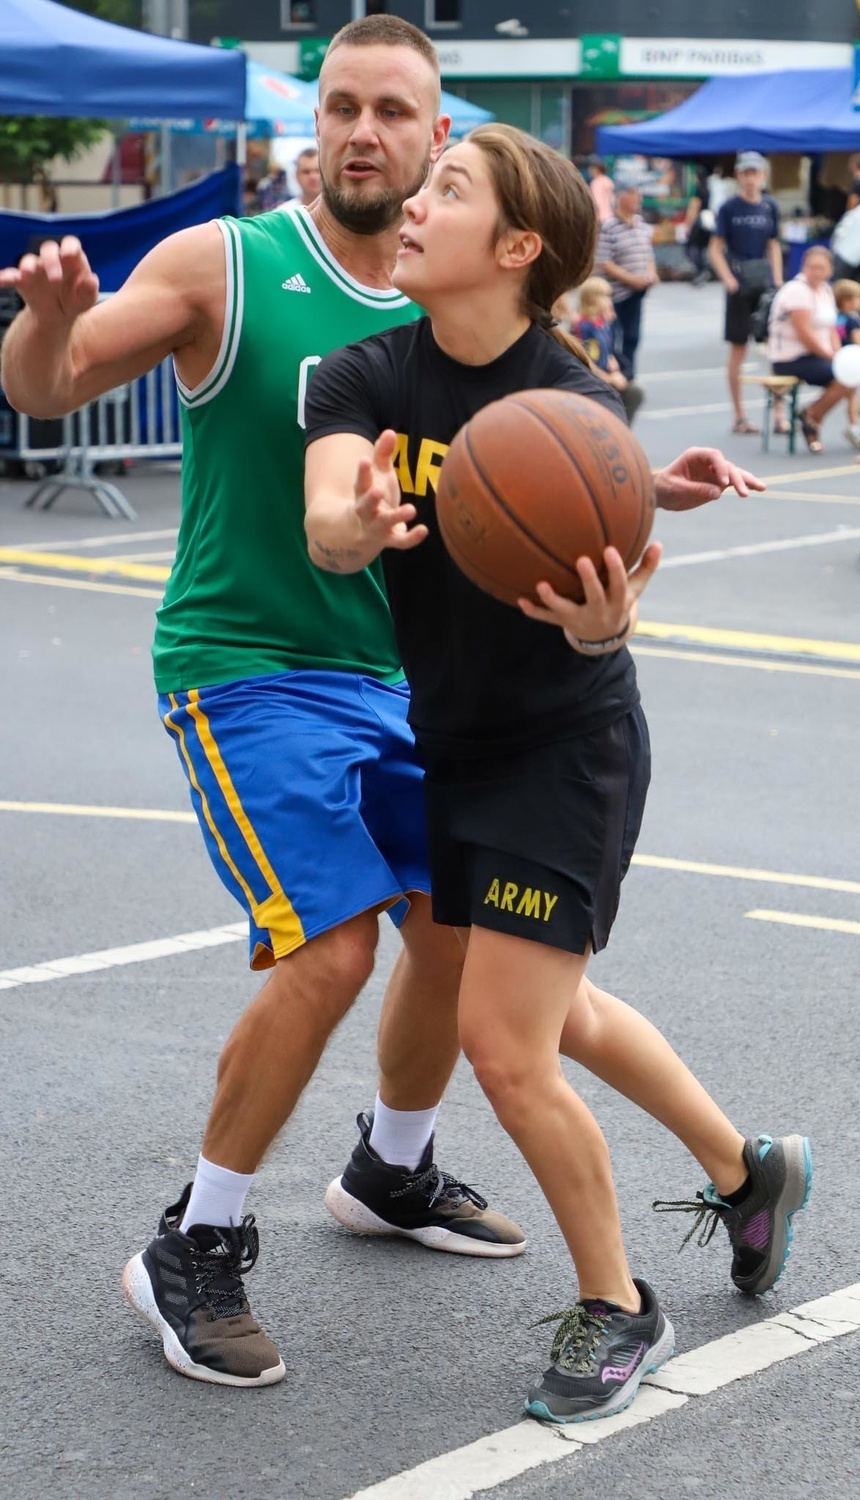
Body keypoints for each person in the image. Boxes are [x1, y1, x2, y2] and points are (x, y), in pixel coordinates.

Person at [0, 14, 531, 1393]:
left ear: (435, 140)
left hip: (401, 678)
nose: (363, 131)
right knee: (332, 946)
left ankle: (391, 1171)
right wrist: (47, 327)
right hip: (245, 665)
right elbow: (53, 384)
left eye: (393, 113)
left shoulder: (452, 306)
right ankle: (196, 1236)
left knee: (458, 929)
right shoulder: (228, 264)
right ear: (315, 128)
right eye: (342, 106)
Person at [302, 124, 812, 1425]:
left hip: (566, 751)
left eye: (449, 190)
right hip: (453, 746)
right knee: (559, 1012)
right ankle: (746, 1172)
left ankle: (618, 1305)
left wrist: (606, 618)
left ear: (518, 248)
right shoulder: (361, 376)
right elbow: (325, 521)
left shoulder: (580, 404)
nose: (415, 205)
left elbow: (604, 570)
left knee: (503, 1043)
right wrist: (352, 527)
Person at [708, 150, 785, 436]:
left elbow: (773, 243)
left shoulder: (769, 207)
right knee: (738, 348)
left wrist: (777, 279)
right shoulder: (730, 208)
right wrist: (727, 278)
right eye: (745, 173)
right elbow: (715, 247)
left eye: (755, 173)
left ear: (763, 176)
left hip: (763, 283)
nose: (751, 179)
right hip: (739, 284)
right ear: (739, 176)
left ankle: (778, 412)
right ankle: (739, 414)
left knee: (775, 348)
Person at [767, 245, 850, 454]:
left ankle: (811, 415)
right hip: (791, 357)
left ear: (830, 270)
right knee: (845, 377)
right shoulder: (797, 291)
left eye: (821, 268)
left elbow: (831, 328)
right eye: (812, 267)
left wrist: (837, 352)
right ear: (804, 267)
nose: (816, 272)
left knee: (850, 375)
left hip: (816, 356)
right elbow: (804, 334)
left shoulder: (826, 290)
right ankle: (811, 419)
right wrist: (830, 356)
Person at [595, 183, 658, 382]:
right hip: (616, 294)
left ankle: (629, 377)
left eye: (638, 194)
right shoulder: (609, 227)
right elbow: (604, 262)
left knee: (633, 337)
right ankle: (612, 378)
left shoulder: (640, 223)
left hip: (637, 292)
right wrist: (631, 279)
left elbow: (647, 254)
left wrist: (651, 273)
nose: (637, 198)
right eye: (632, 194)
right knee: (611, 339)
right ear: (621, 198)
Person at [572, 275, 645, 425]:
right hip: (591, 383)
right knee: (628, 396)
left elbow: (607, 352)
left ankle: (621, 430)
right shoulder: (584, 328)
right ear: (593, 300)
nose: (609, 301)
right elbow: (586, 363)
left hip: (603, 377)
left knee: (634, 393)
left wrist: (614, 366)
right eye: (605, 297)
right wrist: (610, 379)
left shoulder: (601, 324)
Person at [834, 277, 860, 449]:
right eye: (859, 299)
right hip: (853, 361)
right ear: (847, 301)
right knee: (855, 393)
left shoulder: (836, 318)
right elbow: (858, 341)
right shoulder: (853, 320)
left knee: (851, 395)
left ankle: (854, 424)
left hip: (840, 361)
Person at [682, 167, 713, 286]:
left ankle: (701, 270)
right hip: (707, 222)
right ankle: (703, 270)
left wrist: (688, 225)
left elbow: (694, 207)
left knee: (691, 248)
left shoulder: (698, 190)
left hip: (699, 222)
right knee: (701, 248)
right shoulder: (708, 189)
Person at [277, 145, 322, 211]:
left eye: (318, 171)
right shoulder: (284, 214)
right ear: (296, 176)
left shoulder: (339, 212)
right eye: (306, 172)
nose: (313, 177)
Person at [588, 157, 615, 223]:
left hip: (600, 218)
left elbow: (596, 201)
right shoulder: (608, 181)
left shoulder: (596, 183)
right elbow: (613, 200)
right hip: (610, 216)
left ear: (596, 169)